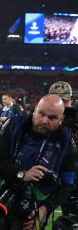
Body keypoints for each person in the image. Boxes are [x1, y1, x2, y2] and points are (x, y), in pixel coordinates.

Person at [0, 94, 77, 230]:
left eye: (52, 118)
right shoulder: (12, 125)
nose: (44, 121)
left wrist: (45, 210)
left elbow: (67, 185)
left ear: (61, 119)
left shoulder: (67, 142)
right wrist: (22, 174)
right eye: (41, 114)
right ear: (35, 109)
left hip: (34, 211)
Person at [48, 81, 78, 229]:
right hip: (48, 180)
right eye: (56, 101)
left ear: (71, 100)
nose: (61, 106)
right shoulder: (43, 120)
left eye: (64, 101)